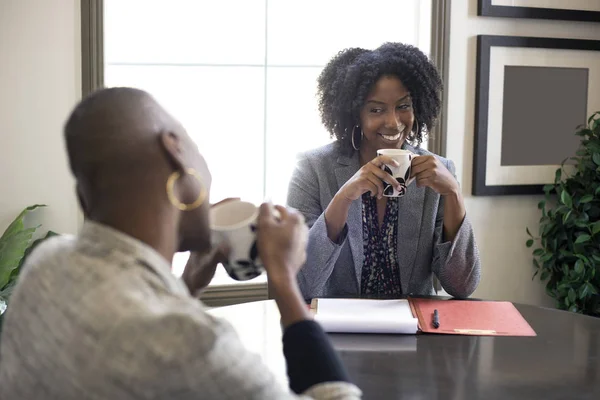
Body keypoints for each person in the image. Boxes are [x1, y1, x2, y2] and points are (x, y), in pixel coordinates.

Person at [0, 88, 361, 399]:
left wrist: (185, 285)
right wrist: (283, 279)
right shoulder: (189, 343)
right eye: (195, 146)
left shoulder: (45, 263)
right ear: (175, 149)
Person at [287, 43, 481, 300]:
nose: (393, 122)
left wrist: (454, 194)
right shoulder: (312, 169)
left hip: (415, 332)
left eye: (403, 106)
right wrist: (344, 198)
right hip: (339, 331)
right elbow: (301, 285)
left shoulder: (439, 172)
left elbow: (462, 285)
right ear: (355, 113)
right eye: (376, 110)